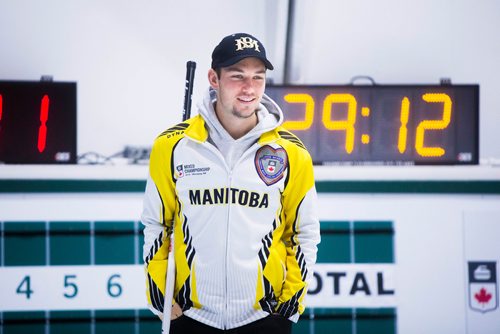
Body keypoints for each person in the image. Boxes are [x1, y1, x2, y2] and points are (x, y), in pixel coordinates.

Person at [141, 32, 320, 334]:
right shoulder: (171, 147)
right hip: (190, 317)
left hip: (263, 320)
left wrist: (287, 309)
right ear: (214, 78)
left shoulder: (291, 153)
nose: (249, 88)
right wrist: (160, 297)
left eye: (258, 77)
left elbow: (304, 234)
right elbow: (156, 225)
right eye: (238, 76)